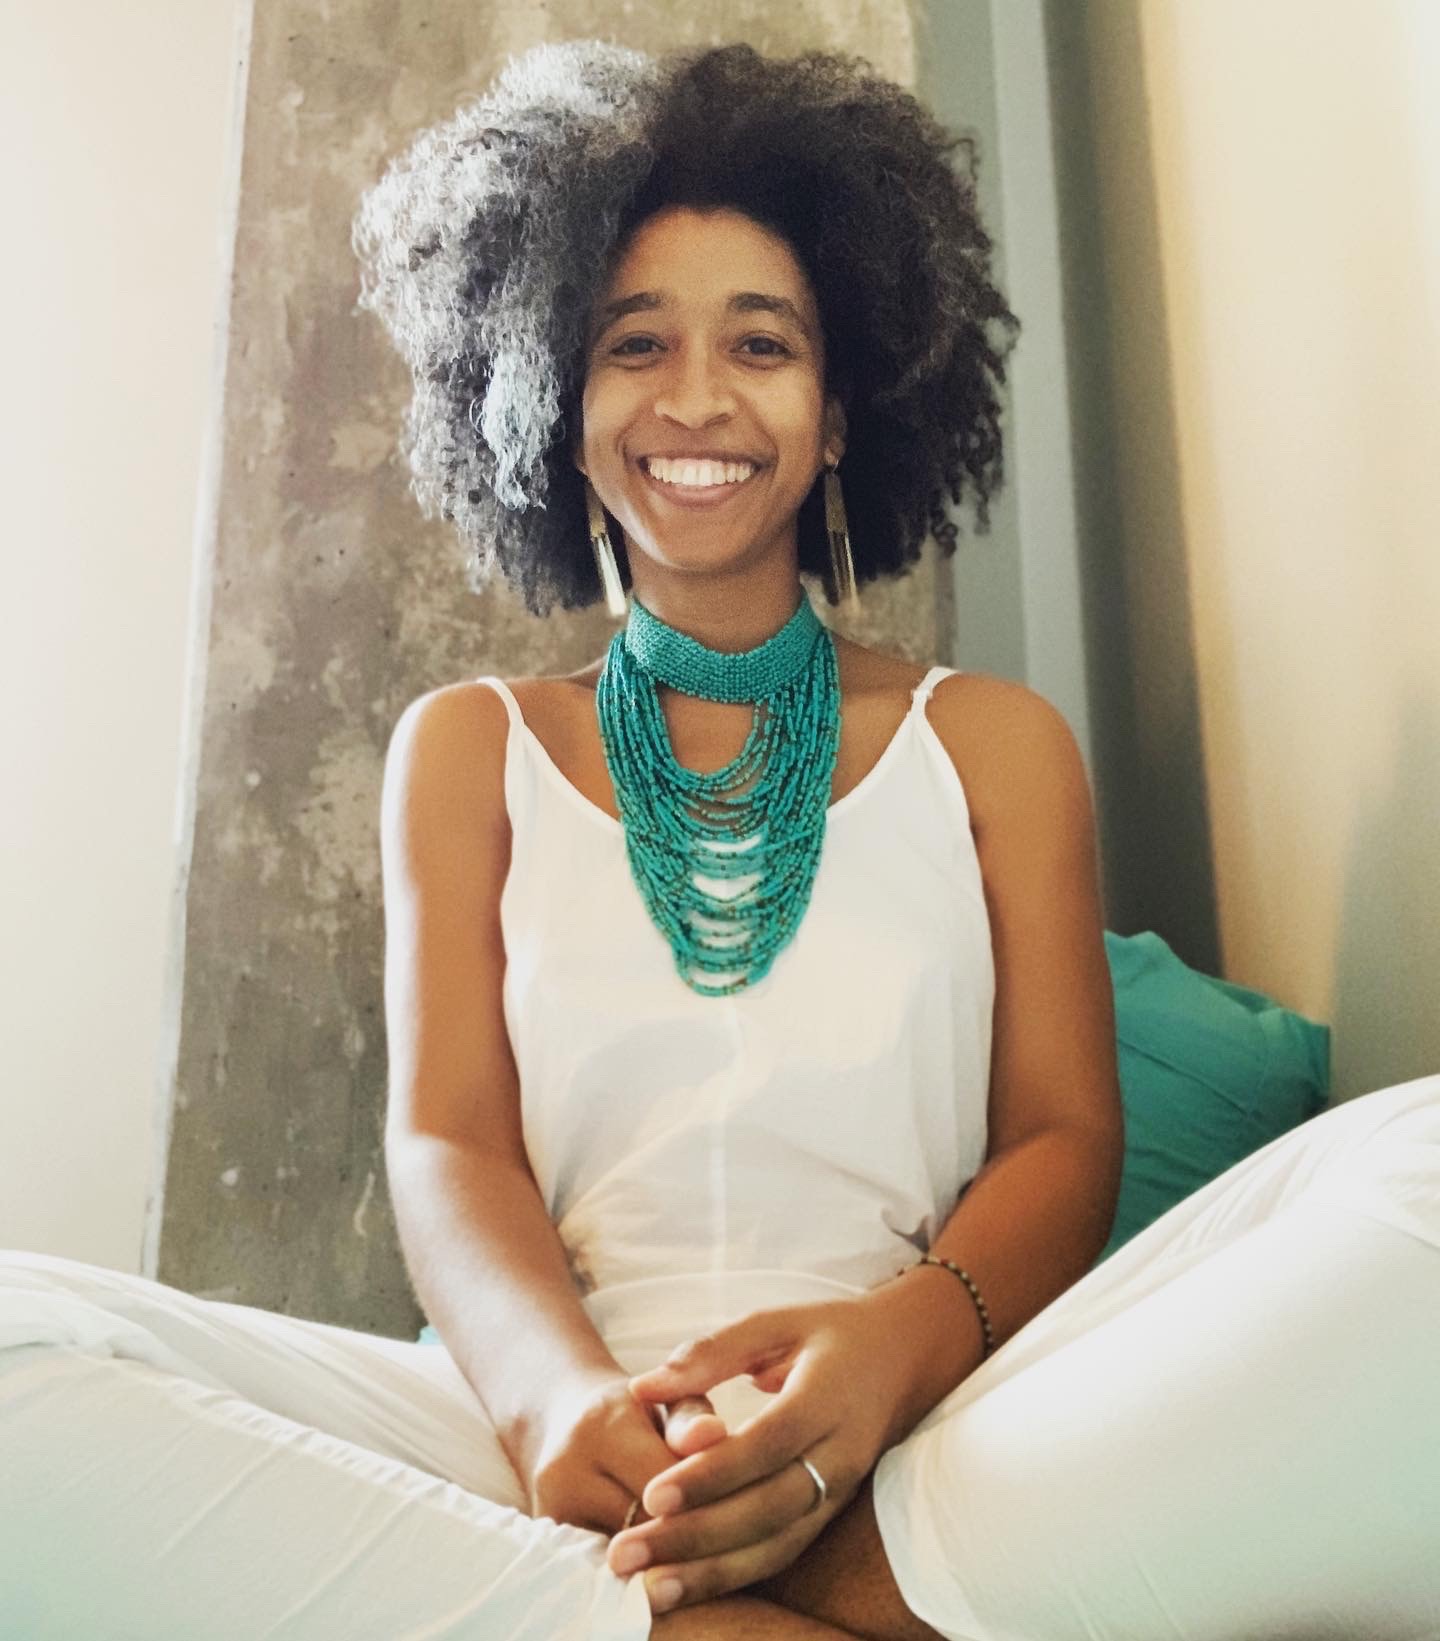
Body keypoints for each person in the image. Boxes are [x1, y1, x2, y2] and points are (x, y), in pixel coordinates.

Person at [2, 37, 1438, 1641]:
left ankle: (762, 1588)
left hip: (929, 1429)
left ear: (840, 414)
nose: (696, 398)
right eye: (636, 345)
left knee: (1429, 1170)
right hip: (531, 1442)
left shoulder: (994, 745)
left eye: (762, 343)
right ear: (556, 405)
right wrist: (554, 1404)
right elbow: (449, 1144)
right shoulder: (467, 749)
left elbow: (1061, 1142)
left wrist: (888, 1356)